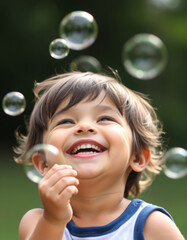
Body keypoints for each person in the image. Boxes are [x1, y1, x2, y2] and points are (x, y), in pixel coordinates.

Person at [14, 71, 184, 240]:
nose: (85, 126)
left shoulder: (151, 225)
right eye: (66, 121)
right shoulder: (37, 222)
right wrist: (53, 220)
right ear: (43, 163)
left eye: (105, 118)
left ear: (137, 157)